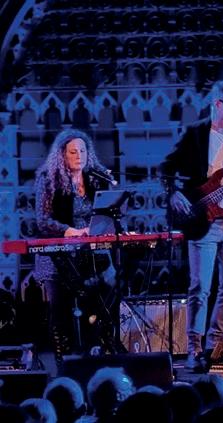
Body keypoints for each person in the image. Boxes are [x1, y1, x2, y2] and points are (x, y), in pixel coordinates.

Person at [161, 80, 223, 372]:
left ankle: (215, 346)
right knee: (200, 287)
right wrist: (173, 192)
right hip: (203, 220)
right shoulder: (195, 134)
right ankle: (194, 348)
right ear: (217, 104)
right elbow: (167, 167)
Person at [34, 129, 119, 361]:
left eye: (82, 151)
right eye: (73, 152)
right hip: (58, 252)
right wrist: (69, 231)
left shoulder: (95, 178)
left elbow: (110, 210)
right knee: (60, 306)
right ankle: (62, 359)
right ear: (62, 155)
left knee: (109, 287)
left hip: (90, 250)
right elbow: (42, 220)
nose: (79, 155)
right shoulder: (49, 180)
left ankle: (102, 348)